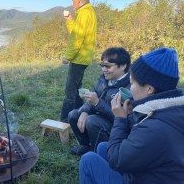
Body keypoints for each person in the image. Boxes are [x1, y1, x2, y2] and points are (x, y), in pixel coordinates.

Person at [79, 47, 184, 184]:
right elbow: (140, 137)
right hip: (155, 171)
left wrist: (120, 119)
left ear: (149, 89)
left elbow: (116, 160)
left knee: (88, 160)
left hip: (145, 178)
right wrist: (130, 114)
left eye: (133, 83)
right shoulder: (170, 108)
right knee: (103, 147)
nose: (130, 88)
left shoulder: (155, 128)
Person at [69, 47, 131, 155]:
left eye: (108, 66)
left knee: (92, 121)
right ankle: (86, 146)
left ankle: (100, 152)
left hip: (117, 127)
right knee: (74, 114)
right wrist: (84, 111)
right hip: (100, 114)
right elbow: (93, 94)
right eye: (102, 65)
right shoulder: (104, 78)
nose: (103, 69)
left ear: (123, 66)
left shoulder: (129, 88)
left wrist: (97, 103)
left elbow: (123, 119)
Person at [60, 0, 97, 123]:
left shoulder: (84, 13)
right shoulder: (88, 12)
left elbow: (77, 39)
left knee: (70, 90)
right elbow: (75, 32)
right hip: (84, 57)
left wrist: (68, 57)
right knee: (76, 87)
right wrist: (69, 20)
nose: (72, 1)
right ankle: (77, 114)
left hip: (79, 57)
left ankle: (65, 121)